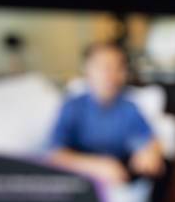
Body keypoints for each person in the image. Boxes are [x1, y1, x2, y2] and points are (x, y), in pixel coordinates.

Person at [47, 42, 165, 185]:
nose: (112, 75)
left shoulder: (129, 107)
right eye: (104, 67)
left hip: (120, 172)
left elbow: (149, 138)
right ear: (87, 69)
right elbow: (55, 154)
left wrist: (150, 152)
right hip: (81, 176)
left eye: (119, 68)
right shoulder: (72, 106)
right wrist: (98, 166)